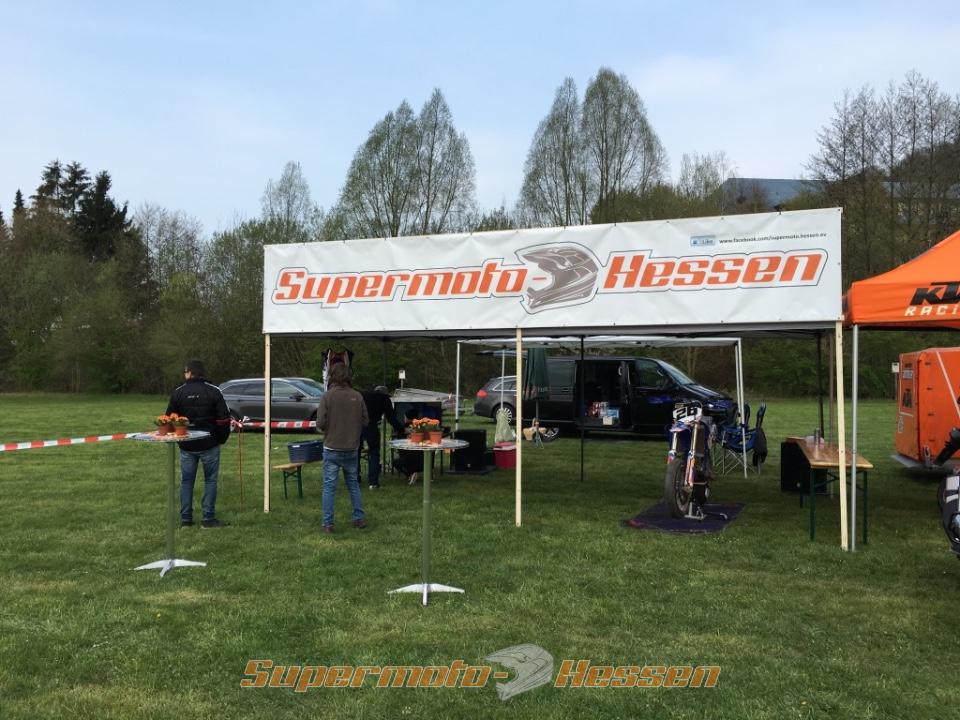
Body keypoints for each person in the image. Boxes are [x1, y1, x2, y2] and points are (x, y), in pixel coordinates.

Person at [166, 359, 231, 529]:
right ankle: (208, 519)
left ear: (189, 373)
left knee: (186, 481)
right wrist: (221, 439)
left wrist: (177, 436)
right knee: (210, 480)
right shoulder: (214, 391)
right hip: (209, 443)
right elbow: (224, 419)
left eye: (185, 372)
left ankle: (186, 520)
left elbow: (169, 419)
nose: (184, 374)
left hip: (186, 444)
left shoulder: (178, 392)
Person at [317, 362, 369, 533]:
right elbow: (365, 421)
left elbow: (320, 423)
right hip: (351, 448)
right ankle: (359, 518)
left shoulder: (327, 396)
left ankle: (328, 523)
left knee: (329, 487)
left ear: (332, 376)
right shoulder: (357, 396)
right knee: (353, 485)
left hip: (332, 447)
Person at [360, 385, 404, 489]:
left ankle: (355, 480)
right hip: (371, 425)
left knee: (356, 451)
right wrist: (402, 429)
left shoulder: (362, 394)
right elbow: (391, 417)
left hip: (356, 424)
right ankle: (373, 482)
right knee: (374, 452)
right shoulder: (384, 397)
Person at [394, 408, 425, 485]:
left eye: (404, 417)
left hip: (408, 461)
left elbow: (399, 444)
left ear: (407, 418)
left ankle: (410, 474)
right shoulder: (422, 427)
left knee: (396, 462)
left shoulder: (402, 428)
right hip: (423, 461)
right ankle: (414, 474)